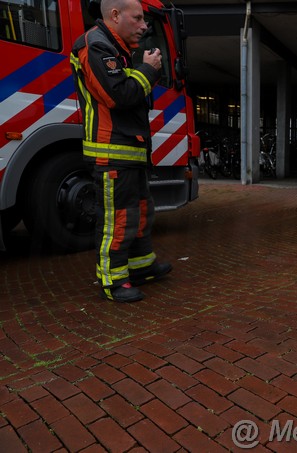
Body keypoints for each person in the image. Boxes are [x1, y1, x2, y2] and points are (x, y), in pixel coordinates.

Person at [70, 0, 171, 302]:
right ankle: (112, 281)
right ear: (115, 15)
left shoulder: (115, 48)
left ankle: (141, 267)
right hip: (112, 150)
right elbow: (120, 95)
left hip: (130, 151)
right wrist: (148, 70)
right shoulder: (95, 45)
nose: (144, 25)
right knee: (118, 219)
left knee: (140, 212)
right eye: (138, 18)